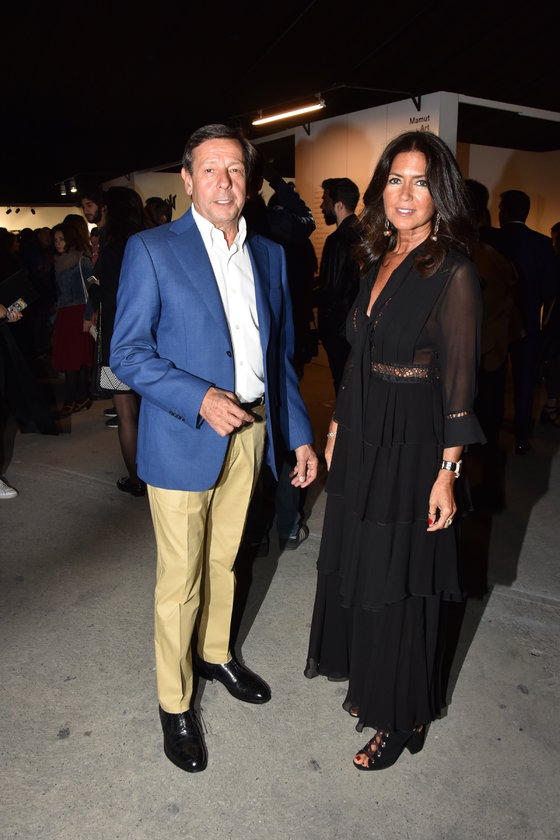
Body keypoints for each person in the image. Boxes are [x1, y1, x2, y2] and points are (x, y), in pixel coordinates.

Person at [110, 123, 318, 773]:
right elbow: (127, 353)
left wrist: (299, 433)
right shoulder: (151, 249)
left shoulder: (271, 255)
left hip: (251, 432)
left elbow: (279, 358)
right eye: (210, 169)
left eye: (235, 170)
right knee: (180, 579)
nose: (224, 182)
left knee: (227, 558)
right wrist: (198, 396)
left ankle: (216, 654)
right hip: (183, 436)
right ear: (187, 179)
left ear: (249, 181)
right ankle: (175, 704)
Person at [304, 130, 485, 772]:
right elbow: (358, 353)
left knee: (400, 578)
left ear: (442, 193)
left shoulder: (454, 271)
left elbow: (461, 387)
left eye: (421, 182)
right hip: (362, 433)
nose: (406, 194)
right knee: (362, 563)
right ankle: (373, 680)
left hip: (413, 446)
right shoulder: (377, 255)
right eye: (395, 179)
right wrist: (335, 427)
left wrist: (447, 473)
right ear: (381, 188)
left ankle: (402, 715)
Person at [241, 151, 318, 555]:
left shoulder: (266, 230)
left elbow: (304, 218)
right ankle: (283, 524)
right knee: (280, 430)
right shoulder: (277, 226)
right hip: (283, 341)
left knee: (274, 432)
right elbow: (305, 217)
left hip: (280, 342)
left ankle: (261, 529)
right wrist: (274, 179)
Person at [464, 179, 522, 510]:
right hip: (493, 349)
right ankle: (486, 485)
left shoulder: (477, 251)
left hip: (479, 351)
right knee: (488, 422)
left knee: (473, 422)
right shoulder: (499, 247)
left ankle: (478, 490)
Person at [87, 186, 146, 494]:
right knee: (151, 409)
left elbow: (98, 287)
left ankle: (137, 480)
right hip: (151, 338)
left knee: (126, 413)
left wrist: (94, 281)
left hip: (117, 340)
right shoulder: (149, 241)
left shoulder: (110, 249)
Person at [493, 190, 560, 454]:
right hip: (528, 324)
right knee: (524, 384)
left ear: (505, 212)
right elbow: (551, 289)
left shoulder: (493, 240)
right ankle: (521, 438)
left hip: (494, 326)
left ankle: (489, 436)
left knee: (492, 382)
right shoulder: (542, 244)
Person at [317, 177, 362, 396]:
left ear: (339, 205)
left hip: (339, 330)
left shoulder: (337, 240)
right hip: (358, 328)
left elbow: (331, 290)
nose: (321, 206)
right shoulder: (365, 235)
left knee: (342, 385)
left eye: (325, 201)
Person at [50, 220, 95, 416]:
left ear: (70, 239)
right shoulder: (58, 262)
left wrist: (88, 316)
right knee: (75, 359)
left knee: (76, 359)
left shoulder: (81, 260)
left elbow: (94, 287)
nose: (58, 243)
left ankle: (72, 399)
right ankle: (81, 396)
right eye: (55, 240)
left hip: (79, 313)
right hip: (65, 315)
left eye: (61, 239)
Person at [539, 221, 560, 428]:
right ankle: (551, 408)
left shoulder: (555, 262)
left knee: (554, 366)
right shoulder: (554, 261)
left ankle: (551, 408)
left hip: (555, 324)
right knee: (554, 366)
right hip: (554, 325)